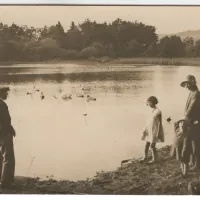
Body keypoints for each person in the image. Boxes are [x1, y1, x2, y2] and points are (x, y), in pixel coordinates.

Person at [180, 75, 200, 170]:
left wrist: (185, 118)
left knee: (195, 142)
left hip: (196, 121)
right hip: (190, 120)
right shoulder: (191, 93)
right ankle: (192, 161)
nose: (187, 86)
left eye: (188, 84)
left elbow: (191, 107)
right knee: (190, 140)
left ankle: (197, 164)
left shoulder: (196, 93)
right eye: (186, 84)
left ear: (192, 84)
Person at [0, 86, 16, 189]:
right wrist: (10, 130)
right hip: (4, 133)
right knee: (8, 156)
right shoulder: (2, 104)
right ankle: (5, 182)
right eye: (5, 93)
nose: (7, 95)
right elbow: (5, 121)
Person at [141, 96, 164, 163]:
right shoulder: (149, 110)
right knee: (146, 144)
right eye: (148, 102)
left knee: (152, 145)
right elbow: (148, 121)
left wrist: (159, 132)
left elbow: (160, 122)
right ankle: (145, 157)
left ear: (153, 102)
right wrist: (144, 129)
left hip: (154, 130)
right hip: (148, 129)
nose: (148, 103)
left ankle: (154, 159)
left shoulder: (158, 111)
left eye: (149, 102)